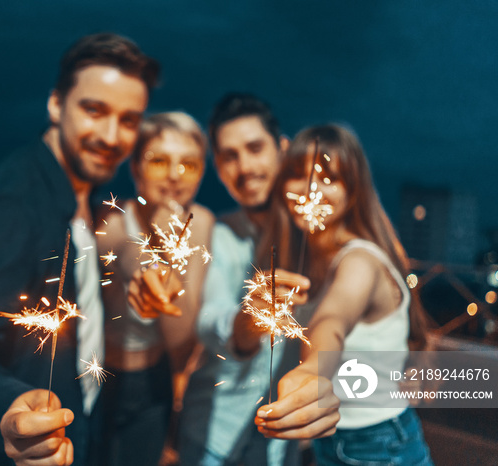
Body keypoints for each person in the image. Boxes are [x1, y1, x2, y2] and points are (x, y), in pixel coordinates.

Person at [0, 33, 159, 466]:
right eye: (94, 110)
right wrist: (7, 410)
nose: (110, 135)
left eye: (128, 119)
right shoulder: (12, 201)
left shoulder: (87, 194)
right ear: (55, 104)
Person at [129, 93, 340, 466]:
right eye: (229, 156)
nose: (243, 167)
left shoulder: (319, 236)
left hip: (281, 443)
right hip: (213, 434)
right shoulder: (219, 234)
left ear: (282, 148)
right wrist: (246, 320)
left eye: (254, 148)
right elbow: (208, 322)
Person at [269, 124, 433, 465]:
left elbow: (332, 320)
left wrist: (313, 372)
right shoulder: (316, 258)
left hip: (379, 444)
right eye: (298, 174)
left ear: (353, 189)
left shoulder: (358, 261)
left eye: (329, 178)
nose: (311, 189)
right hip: (339, 440)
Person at [97, 111, 214, 466]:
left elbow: (181, 344)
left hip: (154, 382)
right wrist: (148, 262)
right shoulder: (110, 216)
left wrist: (171, 248)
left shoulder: (201, 223)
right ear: (134, 168)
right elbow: (122, 250)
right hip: (97, 380)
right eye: (159, 161)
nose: (174, 177)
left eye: (189, 165)